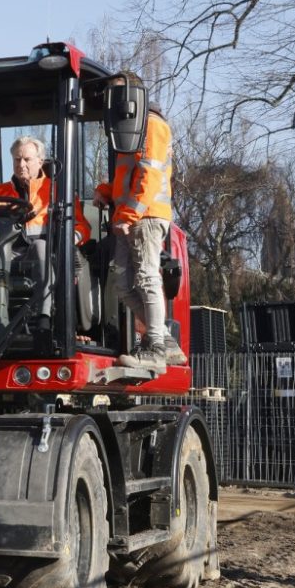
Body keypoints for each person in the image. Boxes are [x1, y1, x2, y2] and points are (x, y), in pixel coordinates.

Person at [93, 73, 182, 370]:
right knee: (122, 283)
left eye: (117, 94)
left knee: (145, 277)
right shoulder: (127, 130)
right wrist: (106, 191)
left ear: (134, 96)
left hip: (146, 215)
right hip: (130, 215)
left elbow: (150, 174)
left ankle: (155, 347)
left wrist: (128, 215)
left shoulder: (152, 125)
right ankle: (166, 342)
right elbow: (128, 177)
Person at [0, 135, 91, 332]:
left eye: (27, 159)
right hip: (2, 252)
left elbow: (81, 226)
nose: (21, 164)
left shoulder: (57, 191)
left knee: (40, 246)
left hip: (39, 253)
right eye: (17, 159)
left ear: (40, 161)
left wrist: (71, 238)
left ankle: (44, 318)